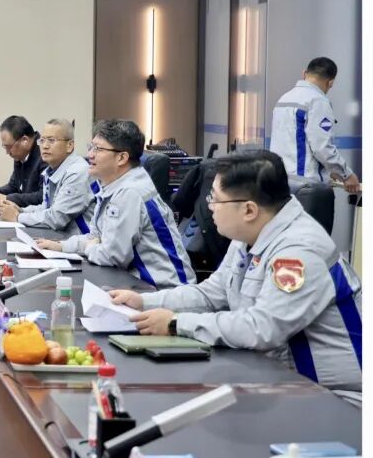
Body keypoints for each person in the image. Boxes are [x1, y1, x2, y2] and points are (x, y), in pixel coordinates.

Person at [109, 150, 361, 393]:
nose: (209, 206)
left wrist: (176, 323)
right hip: (278, 378)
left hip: (336, 396)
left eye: (215, 199)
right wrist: (144, 302)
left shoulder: (299, 252)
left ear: (249, 210)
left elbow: (263, 328)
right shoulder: (251, 233)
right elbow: (211, 294)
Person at [37, 120, 194, 289]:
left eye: (98, 149)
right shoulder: (113, 186)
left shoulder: (130, 192)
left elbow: (112, 256)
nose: (90, 155)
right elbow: (95, 237)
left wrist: (90, 248)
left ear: (121, 158)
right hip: (135, 282)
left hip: (162, 290)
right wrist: (61, 246)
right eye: (91, 147)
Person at [268, 57, 360, 193]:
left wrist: (331, 170)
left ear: (304, 73)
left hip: (280, 181)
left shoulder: (284, 99)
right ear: (330, 83)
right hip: (305, 187)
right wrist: (346, 174)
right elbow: (322, 147)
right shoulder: (318, 101)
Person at [0, 118, 97, 234]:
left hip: (77, 241)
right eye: (42, 140)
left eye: (51, 140)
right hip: (59, 237)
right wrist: (21, 210)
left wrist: (17, 217)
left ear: (70, 145)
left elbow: (57, 218)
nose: (45, 146)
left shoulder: (77, 172)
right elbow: (46, 207)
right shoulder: (51, 170)